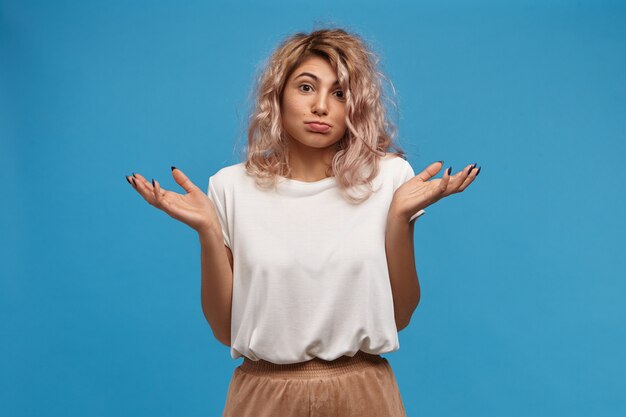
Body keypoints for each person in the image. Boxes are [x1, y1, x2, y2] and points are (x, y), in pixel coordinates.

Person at [126, 27, 479, 417]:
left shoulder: (390, 179)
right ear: (277, 96)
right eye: (306, 87)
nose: (321, 106)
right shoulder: (229, 187)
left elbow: (401, 315)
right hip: (264, 393)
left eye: (340, 93)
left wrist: (399, 219)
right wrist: (208, 231)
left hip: (363, 391)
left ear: (355, 106)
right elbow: (225, 331)